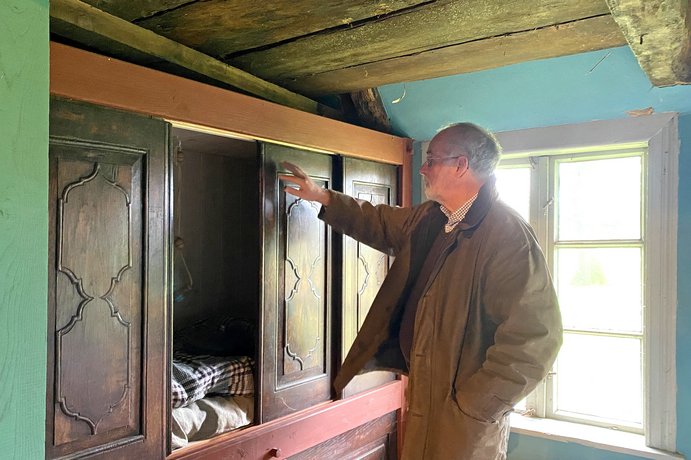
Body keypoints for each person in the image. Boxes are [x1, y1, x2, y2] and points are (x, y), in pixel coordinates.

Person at [279, 123, 562, 460]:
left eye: (432, 160)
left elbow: (535, 338)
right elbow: (380, 221)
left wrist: (473, 406)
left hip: (464, 414)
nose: (424, 169)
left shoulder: (506, 235)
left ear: (460, 165)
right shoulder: (432, 218)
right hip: (427, 391)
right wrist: (322, 196)